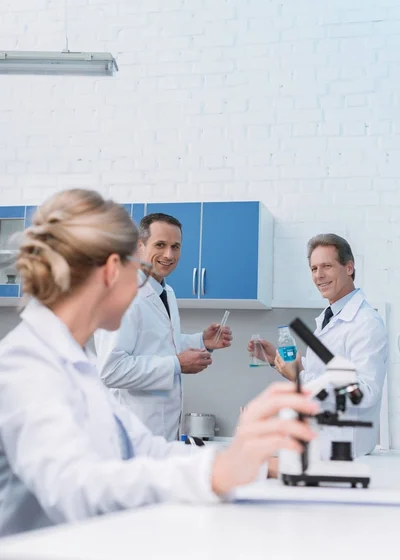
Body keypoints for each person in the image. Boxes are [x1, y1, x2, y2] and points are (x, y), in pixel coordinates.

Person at [0, 189, 318, 537]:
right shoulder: (26, 367)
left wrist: (252, 463)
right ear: (111, 271)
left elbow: (144, 448)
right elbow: (76, 488)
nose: (143, 281)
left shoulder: (75, 361)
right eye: (137, 269)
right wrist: (214, 474)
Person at [94, 212, 232, 441]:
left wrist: (200, 341)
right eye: (160, 245)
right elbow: (111, 369)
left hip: (162, 436)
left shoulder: (165, 292)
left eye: (175, 246)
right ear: (139, 247)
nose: (169, 255)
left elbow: (157, 344)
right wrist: (177, 364)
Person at [249, 233, 388, 459]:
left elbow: (364, 392)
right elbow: (323, 371)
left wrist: (300, 376)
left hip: (346, 451)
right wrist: (277, 359)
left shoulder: (365, 323)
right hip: (321, 442)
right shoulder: (330, 316)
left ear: (349, 267)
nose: (319, 276)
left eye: (327, 266)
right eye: (314, 269)